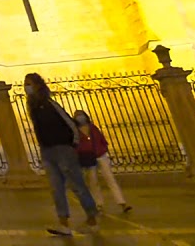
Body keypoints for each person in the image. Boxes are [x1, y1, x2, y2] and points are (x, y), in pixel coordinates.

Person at [24, 73, 98, 235]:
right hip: (47, 151)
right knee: (56, 189)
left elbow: (69, 123)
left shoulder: (50, 103)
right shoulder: (32, 107)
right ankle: (63, 224)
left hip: (63, 149)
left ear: (37, 85)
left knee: (77, 186)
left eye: (29, 84)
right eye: (25, 84)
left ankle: (92, 219)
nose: (26, 87)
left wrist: (73, 144)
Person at [73, 110, 131, 214]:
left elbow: (102, 139)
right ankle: (98, 204)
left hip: (101, 156)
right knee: (93, 182)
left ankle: (122, 202)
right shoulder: (76, 131)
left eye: (81, 115)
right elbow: (76, 145)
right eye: (77, 116)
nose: (79, 117)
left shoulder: (93, 128)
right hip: (88, 158)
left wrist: (103, 149)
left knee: (110, 178)